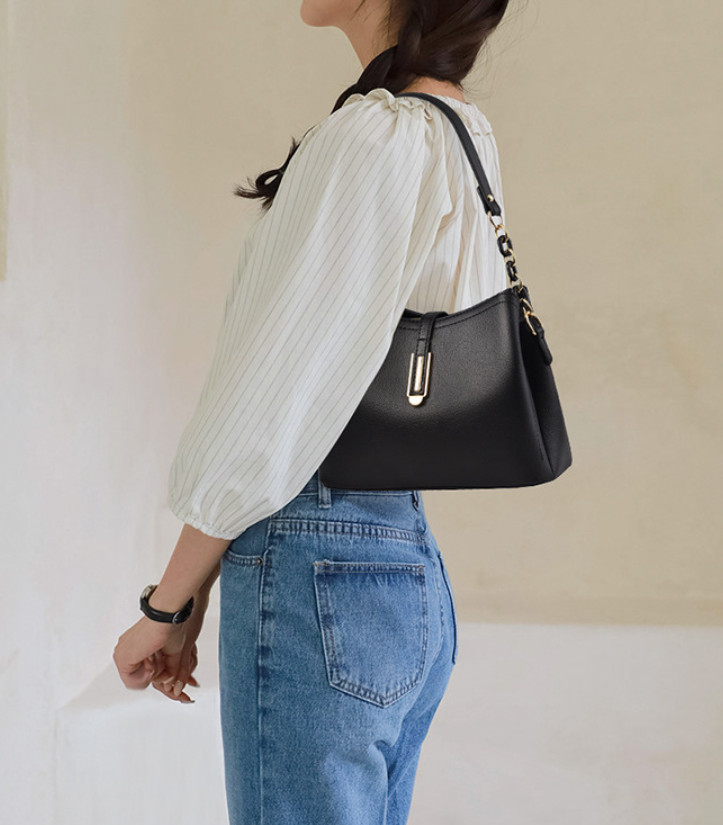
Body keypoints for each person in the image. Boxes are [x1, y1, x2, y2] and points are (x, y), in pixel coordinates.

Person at [114, 1, 512, 822]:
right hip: (400, 562)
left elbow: (273, 399)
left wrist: (167, 603)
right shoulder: (458, 130)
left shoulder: (371, 136)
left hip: (313, 569)